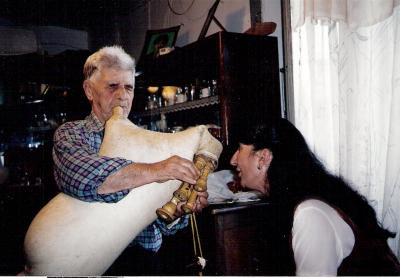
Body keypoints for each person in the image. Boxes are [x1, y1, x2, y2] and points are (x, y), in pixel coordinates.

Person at [52, 45, 208, 274]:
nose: (123, 96)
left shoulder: (148, 140)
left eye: (129, 87)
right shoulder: (71, 134)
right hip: (91, 262)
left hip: (144, 263)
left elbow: (163, 226)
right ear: (89, 90)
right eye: (112, 86)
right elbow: (85, 178)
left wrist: (179, 210)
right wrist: (157, 169)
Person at [230, 118, 400, 276]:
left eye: (239, 149)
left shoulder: (310, 214)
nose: (233, 160)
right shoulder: (306, 200)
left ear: (263, 157)